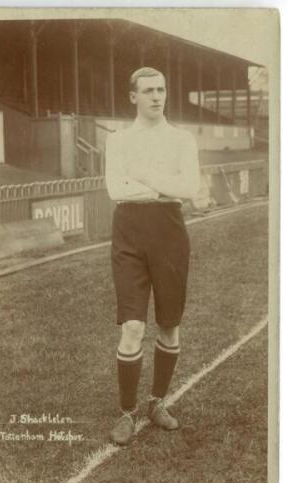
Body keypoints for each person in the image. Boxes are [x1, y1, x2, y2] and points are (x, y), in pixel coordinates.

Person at [105, 67, 200, 446]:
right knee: (132, 327)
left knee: (169, 325)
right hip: (128, 232)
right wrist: (165, 186)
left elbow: (190, 187)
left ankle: (157, 402)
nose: (157, 96)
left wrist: (143, 177)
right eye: (148, 91)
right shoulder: (118, 140)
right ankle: (127, 412)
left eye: (161, 89)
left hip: (170, 235)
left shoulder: (182, 138)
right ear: (133, 96)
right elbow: (116, 188)